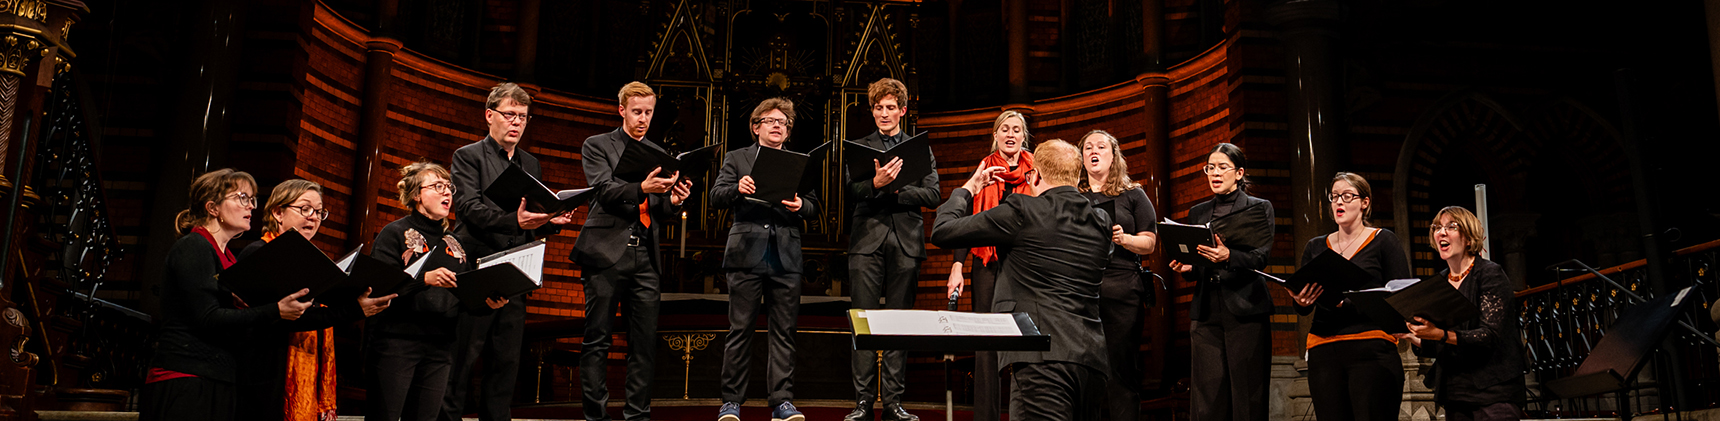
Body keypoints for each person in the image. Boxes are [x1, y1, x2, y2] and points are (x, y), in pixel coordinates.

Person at [930, 139, 1110, 421]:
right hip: (1091, 362)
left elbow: (942, 231)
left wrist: (968, 189)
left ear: (1034, 176)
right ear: (1078, 177)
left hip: (1041, 360)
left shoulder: (1023, 211)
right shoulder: (1101, 222)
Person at [140, 169, 313, 421]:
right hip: (186, 378)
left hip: (219, 377)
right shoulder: (194, 246)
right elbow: (207, 318)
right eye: (242, 197)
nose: (252, 206)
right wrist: (275, 310)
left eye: (252, 199)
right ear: (213, 208)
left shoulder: (230, 259)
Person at [444, 82, 573, 421]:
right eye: (510, 115)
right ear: (490, 116)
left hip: (515, 269)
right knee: (464, 356)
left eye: (523, 117)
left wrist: (551, 222)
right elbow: (468, 208)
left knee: (505, 361)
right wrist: (514, 221)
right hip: (476, 267)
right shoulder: (468, 156)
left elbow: (529, 220)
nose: (516, 122)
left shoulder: (530, 163)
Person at [573, 81, 694, 421]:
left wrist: (671, 201)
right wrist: (642, 186)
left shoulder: (657, 152)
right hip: (605, 252)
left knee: (643, 344)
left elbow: (656, 207)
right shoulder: (597, 145)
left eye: (649, 112)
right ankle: (595, 416)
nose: (643, 119)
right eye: (637, 111)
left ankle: (637, 415)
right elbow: (603, 190)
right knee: (597, 339)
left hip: (645, 255)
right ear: (622, 110)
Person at [234, 179, 395, 421]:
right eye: (305, 208)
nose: (313, 217)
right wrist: (353, 310)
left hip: (298, 374)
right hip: (265, 380)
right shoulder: (259, 252)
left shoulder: (312, 262)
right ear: (278, 212)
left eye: (319, 212)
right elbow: (287, 319)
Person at [370, 162, 509, 421]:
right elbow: (379, 287)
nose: (447, 193)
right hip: (397, 343)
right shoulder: (395, 233)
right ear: (416, 194)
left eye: (449, 187)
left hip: (440, 347)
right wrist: (425, 279)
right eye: (437, 186)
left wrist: (486, 303)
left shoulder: (454, 243)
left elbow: (463, 296)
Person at [710, 97, 818, 421]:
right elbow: (716, 196)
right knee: (740, 329)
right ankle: (731, 402)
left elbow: (814, 206)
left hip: (785, 254)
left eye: (783, 122)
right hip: (746, 252)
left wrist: (802, 206)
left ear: (788, 131)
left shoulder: (798, 162)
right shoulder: (737, 158)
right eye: (770, 120)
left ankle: (782, 402)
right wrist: (736, 189)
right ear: (756, 126)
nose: (777, 125)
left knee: (783, 331)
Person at [844, 77, 940, 421]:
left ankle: (894, 402)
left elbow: (933, 195)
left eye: (890, 107)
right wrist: (874, 184)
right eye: (878, 108)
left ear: (902, 110)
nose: (884, 113)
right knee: (864, 321)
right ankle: (863, 402)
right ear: (872, 111)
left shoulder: (918, 149)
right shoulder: (859, 146)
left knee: (899, 322)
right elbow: (850, 192)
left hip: (905, 241)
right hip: (867, 240)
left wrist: (897, 190)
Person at [1286, 173, 1410, 421]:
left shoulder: (1383, 240)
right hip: (1324, 349)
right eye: (1334, 197)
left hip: (1371, 347)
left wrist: (1348, 302)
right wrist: (1300, 301)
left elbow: (1401, 296)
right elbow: (1303, 307)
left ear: (1364, 202)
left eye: (1347, 196)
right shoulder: (1316, 246)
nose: (1338, 202)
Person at [1168, 143, 1275, 421]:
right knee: (1207, 398)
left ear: (1239, 173)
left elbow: (1260, 258)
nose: (1215, 173)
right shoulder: (1198, 213)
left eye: (1222, 167)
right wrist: (1188, 268)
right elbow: (1198, 263)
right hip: (1206, 311)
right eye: (1210, 168)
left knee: (1248, 395)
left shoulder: (1259, 208)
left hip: (1246, 308)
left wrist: (1229, 256)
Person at [942, 110, 1031, 421]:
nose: (1010, 134)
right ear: (995, 135)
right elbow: (967, 223)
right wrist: (957, 266)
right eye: (1004, 129)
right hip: (987, 263)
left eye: (1016, 129)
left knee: (1024, 337)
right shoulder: (983, 170)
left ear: (1024, 136)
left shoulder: (1035, 171)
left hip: (1024, 265)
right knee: (986, 342)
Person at [1402, 206, 1525, 421]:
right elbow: (1441, 341)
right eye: (1437, 227)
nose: (1441, 232)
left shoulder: (1489, 274)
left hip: (1493, 391)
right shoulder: (1439, 282)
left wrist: (1439, 334)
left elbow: (1488, 335)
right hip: (1455, 392)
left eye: (1452, 226)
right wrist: (1415, 336)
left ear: (1468, 238)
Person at [1075, 130, 1159, 421]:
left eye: (1100, 146)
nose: (1093, 151)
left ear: (1114, 156)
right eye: (1087, 147)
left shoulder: (1133, 194)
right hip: (1083, 290)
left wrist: (1124, 239)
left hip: (1122, 288)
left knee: (1121, 369)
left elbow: (1149, 242)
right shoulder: (1074, 196)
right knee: (1085, 368)